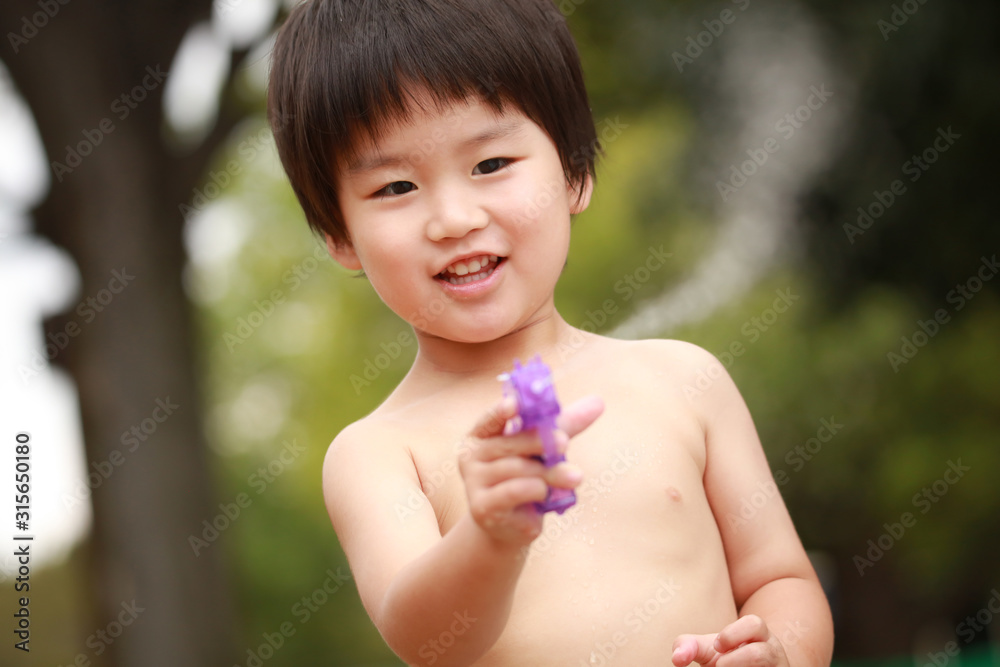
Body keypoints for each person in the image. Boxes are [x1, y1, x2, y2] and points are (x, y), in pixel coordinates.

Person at [267, 0, 834, 664]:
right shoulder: (379, 452)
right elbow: (426, 639)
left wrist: (781, 652)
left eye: (489, 164)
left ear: (574, 173)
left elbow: (781, 580)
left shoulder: (685, 379)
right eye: (395, 187)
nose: (453, 219)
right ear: (339, 235)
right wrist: (489, 537)